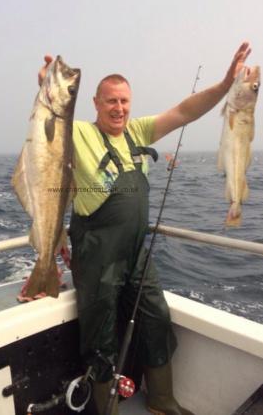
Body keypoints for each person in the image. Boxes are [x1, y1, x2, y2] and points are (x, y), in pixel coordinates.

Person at [37, 42, 251, 415]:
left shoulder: (138, 132)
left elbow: (185, 111)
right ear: (96, 103)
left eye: (124, 102)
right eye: (111, 102)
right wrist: (47, 91)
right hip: (96, 258)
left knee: (156, 318)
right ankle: (109, 410)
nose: (119, 109)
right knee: (100, 339)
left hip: (136, 254)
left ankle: (162, 399)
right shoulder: (80, 133)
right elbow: (50, 128)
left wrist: (223, 85)